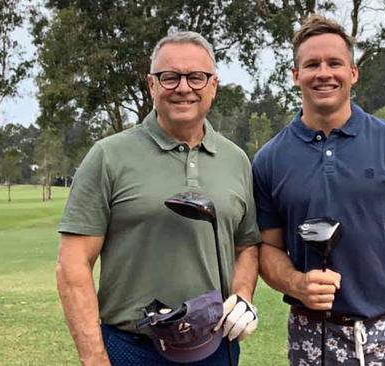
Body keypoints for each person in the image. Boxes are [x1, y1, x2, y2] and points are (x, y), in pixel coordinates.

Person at [252, 15, 385, 366]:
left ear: (353, 72)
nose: (324, 73)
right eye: (311, 64)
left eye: (335, 63)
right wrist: (296, 283)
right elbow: (268, 250)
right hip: (312, 338)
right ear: (295, 75)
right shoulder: (270, 160)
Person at [56, 31, 261, 366]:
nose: (183, 87)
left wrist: (243, 295)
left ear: (213, 85)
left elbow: (247, 246)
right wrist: (94, 358)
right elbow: (72, 265)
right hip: (131, 347)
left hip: (216, 348)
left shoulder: (235, 160)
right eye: (170, 77)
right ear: (152, 85)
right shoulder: (109, 156)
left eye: (196, 77)